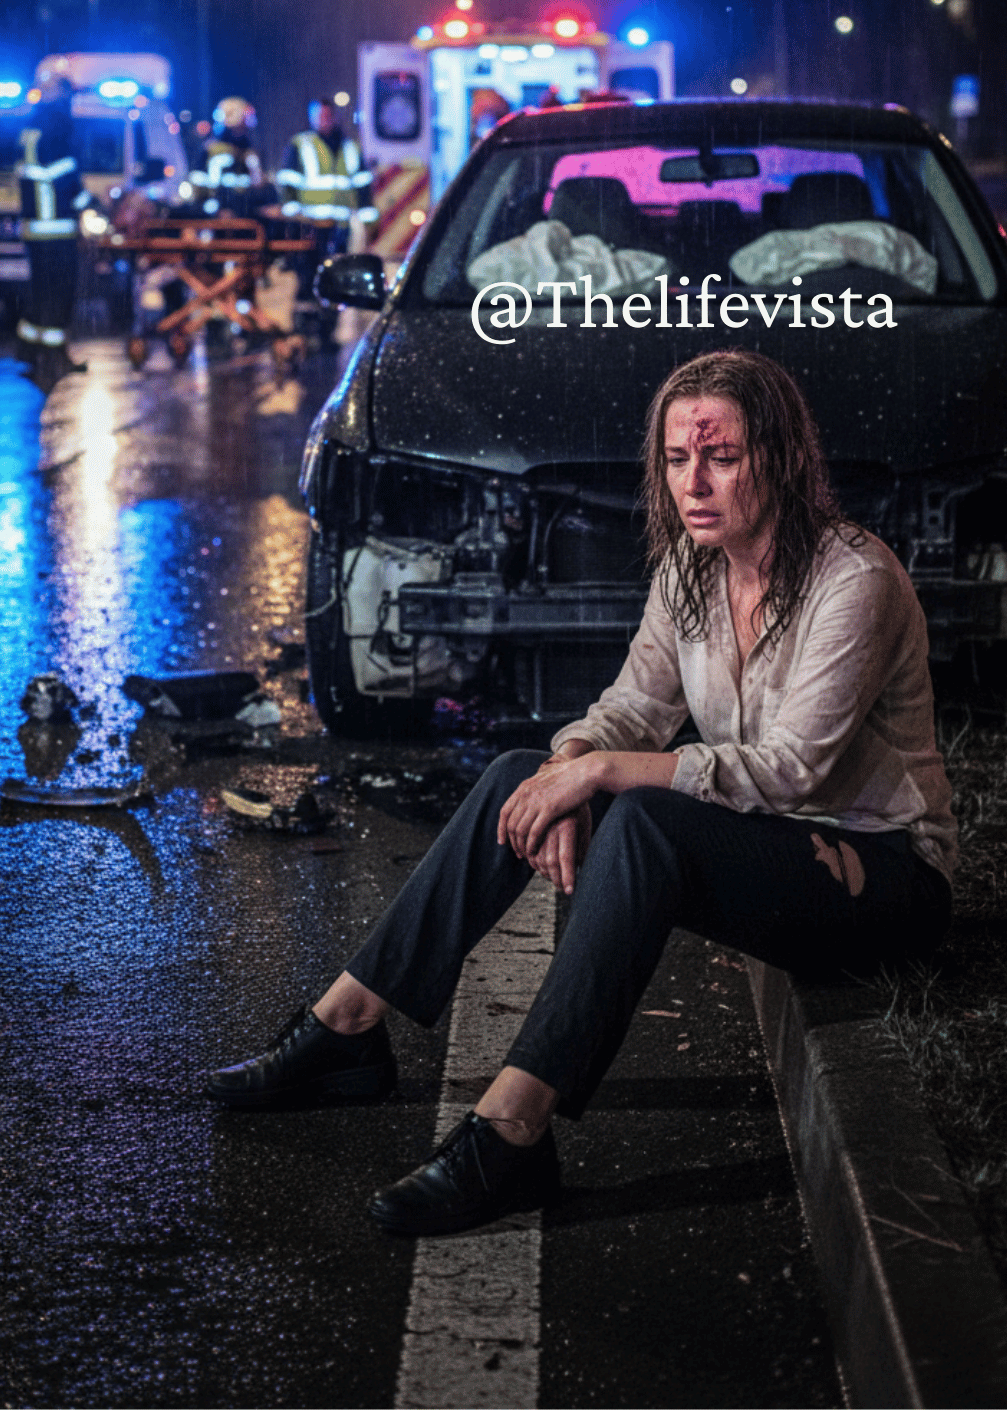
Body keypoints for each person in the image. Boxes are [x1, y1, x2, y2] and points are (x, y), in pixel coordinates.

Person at [206, 350, 955, 1237]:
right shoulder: (692, 568)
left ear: (783, 458)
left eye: (722, 457)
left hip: (877, 871)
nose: (693, 483)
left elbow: (794, 770)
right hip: (765, 844)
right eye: (676, 459)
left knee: (641, 821)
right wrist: (571, 762)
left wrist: (599, 775)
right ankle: (348, 1026)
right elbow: (633, 707)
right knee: (517, 774)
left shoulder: (852, 579)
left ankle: (513, 1133)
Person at [15, 73, 92, 383]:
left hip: (35, 228)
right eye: (68, 95)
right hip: (56, 227)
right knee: (60, 293)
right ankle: (54, 356)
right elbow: (66, 175)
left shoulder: (32, 127)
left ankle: (29, 351)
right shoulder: (58, 126)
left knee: (41, 291)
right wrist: (90, 204)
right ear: (60, 96)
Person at [276, 97, 377, 287]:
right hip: (310, 223)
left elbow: (363, 185)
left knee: (339, 271)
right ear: (312, 118)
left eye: (328, 115)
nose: (325, 119)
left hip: (342, 223)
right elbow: (288, 180)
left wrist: (368, 220)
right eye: (320, 115)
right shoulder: (301, 144)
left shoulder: (350, 147)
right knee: (310, 273)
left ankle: (333, 302)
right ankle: (309, 302)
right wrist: (293, 212)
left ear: (336, 116)